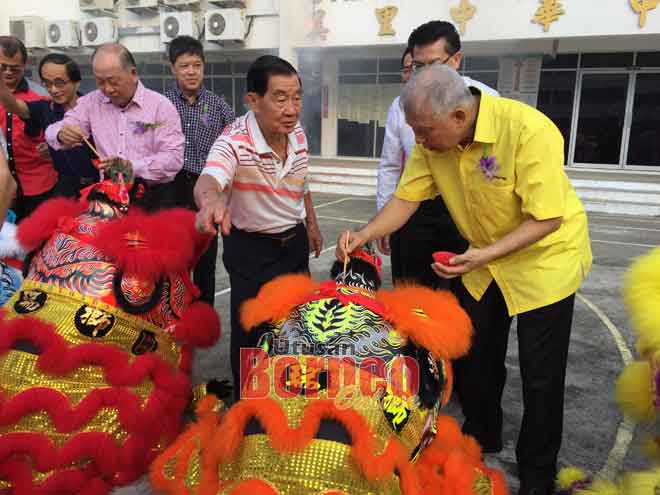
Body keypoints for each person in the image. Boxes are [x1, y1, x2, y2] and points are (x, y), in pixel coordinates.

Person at [337, 64, 593, 495]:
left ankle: (536, 474)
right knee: (477, 355)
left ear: (458, 117)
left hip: (545, 262)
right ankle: (483, 433)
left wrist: (481, 255)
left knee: (541, 374)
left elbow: (547, 217)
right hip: (483, 259)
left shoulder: (528, 130)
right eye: (414, 131)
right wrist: (366, 233)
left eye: (424, 131)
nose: (418, 141)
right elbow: (406, 198)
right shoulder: (434, 143)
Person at [194, 55, 323, 399]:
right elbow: (210, 178)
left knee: (297, 323)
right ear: (253, 100)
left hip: (293, 245)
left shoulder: (297, 134)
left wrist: (311, 222)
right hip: (251, 250)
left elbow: (302, 181)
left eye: (296, 97)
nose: (291, 108)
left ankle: (290, 394)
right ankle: (247, 404)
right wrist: (211, 202)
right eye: (280, 98)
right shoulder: (234, 141)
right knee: (251, 330)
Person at [377, 21, 498, 288]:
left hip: (465, 209)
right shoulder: (401, 105)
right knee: (409, 288)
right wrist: (382, 219)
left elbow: (492, 164)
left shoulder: (486, 100)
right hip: (413, 206)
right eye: (417, 67)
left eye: (433, 65)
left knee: (460, 290)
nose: (422, 74)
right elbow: (389, 165)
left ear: (456, 60)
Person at [45, 43, 184, 207]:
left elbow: (173, 158)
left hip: (152, 198)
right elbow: (53, 130)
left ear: (133, 74)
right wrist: (61, 134)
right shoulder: (92, 102)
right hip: (109, 197)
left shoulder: (160, 107)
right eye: (100, 82)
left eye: (113, 81)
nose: (107, 89)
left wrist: (131, 167)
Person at [164, 35, 235, 305]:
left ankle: (202, 314)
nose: (191, 71)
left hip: (207, 190)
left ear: (203, 67)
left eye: (196, 65)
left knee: (206, 256)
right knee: (174, 255)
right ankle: (172, 309)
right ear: (173, 68)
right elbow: (142, 136)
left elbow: (235, 142)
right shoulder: (161, 104)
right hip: (172, 188)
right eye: (184, 66)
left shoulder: (218, 106)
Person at [0, 53, 98, 198]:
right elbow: (14, 105)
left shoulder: (95, 108)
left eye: (59, 83)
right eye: (47, 83)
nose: (53, 90)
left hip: (100, 186)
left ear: (76, 82)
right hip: (65, 189)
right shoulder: (44, 109)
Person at [0, 36, 58, 219]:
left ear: (25, 66)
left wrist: (51, 148)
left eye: (15, 68)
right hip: (3, 187)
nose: (8, 72)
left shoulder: (41, 95)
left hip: (40, 184)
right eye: (2, 67)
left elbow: (59, 134)